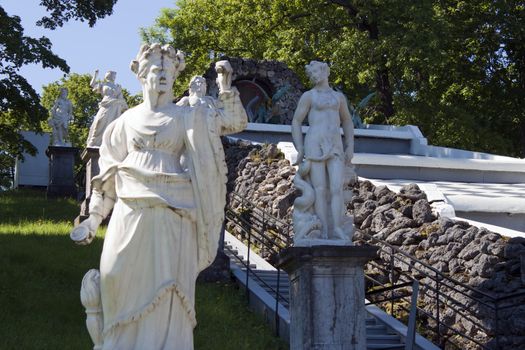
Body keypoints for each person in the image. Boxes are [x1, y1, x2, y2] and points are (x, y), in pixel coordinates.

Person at [70, 44, 247, 349]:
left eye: (169, 70)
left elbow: (234, 123)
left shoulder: (187, 116)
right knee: (114, 279)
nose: (163, 75)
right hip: (129, 212)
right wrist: (92, 220)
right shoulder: (121, 124)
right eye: (156, 70)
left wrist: (226, 87)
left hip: (173, 217)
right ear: (141, 74)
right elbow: (106, 183)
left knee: (170, 299)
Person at [291, 61, 354, 241]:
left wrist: (351, 146)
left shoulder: (338, 97)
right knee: (319, 189)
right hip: (314, 144)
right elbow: (296, 121)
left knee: (336, 188)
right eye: (311, 74)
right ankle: (324, 229)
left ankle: (337, 228)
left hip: (335, 145)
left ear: (325, 71)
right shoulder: (309, 96)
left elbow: (347, 121)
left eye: (316, 71)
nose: (314, 76)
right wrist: (300, 147)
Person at [86, 70, 128, 147]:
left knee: (112, 125)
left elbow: (121, 98)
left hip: (115, 107)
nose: (114, 77)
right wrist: (95, 75)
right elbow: (92, 84)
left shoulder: (117, 87)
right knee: (99, 121)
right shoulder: (103, 84)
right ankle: (94, 141)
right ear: (108, 76)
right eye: (113, 75)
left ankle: (109, 143)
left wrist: (123, 106)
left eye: (114, 76)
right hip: (105, 105)